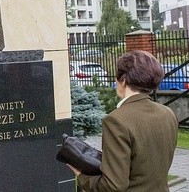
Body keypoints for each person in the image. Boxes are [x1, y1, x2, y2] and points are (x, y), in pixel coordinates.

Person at [70, 50, 178, 191]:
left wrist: (82, 177)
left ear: (123, 80)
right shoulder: (167, 113)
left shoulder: (116, 120)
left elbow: (113, 186)